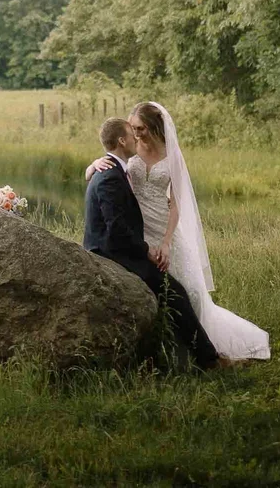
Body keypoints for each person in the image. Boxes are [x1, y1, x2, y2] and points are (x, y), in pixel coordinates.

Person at [85, 101, 270, 362]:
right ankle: (172, 350)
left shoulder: (171, 155)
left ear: (153, 127)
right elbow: (113, 161)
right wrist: (93, 165)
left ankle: (195, 347)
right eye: (133, 129)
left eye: (140, 128)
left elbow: (177, 203)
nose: (136, 134)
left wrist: (167, 240)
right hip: (136, 229)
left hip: (160, 222)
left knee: (188, 290)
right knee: (163, 288)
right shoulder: (130, 148)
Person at [83, 115, 220, 370]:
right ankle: (209, 361)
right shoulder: (110, 175)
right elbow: (118, 232)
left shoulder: (114, 169)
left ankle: (197, 355)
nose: (137, 137)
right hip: (110, 253)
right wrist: (146, 251)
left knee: (175, 290)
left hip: (119, 245)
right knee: (174, 292)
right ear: (122, 140)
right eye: (131, 133)